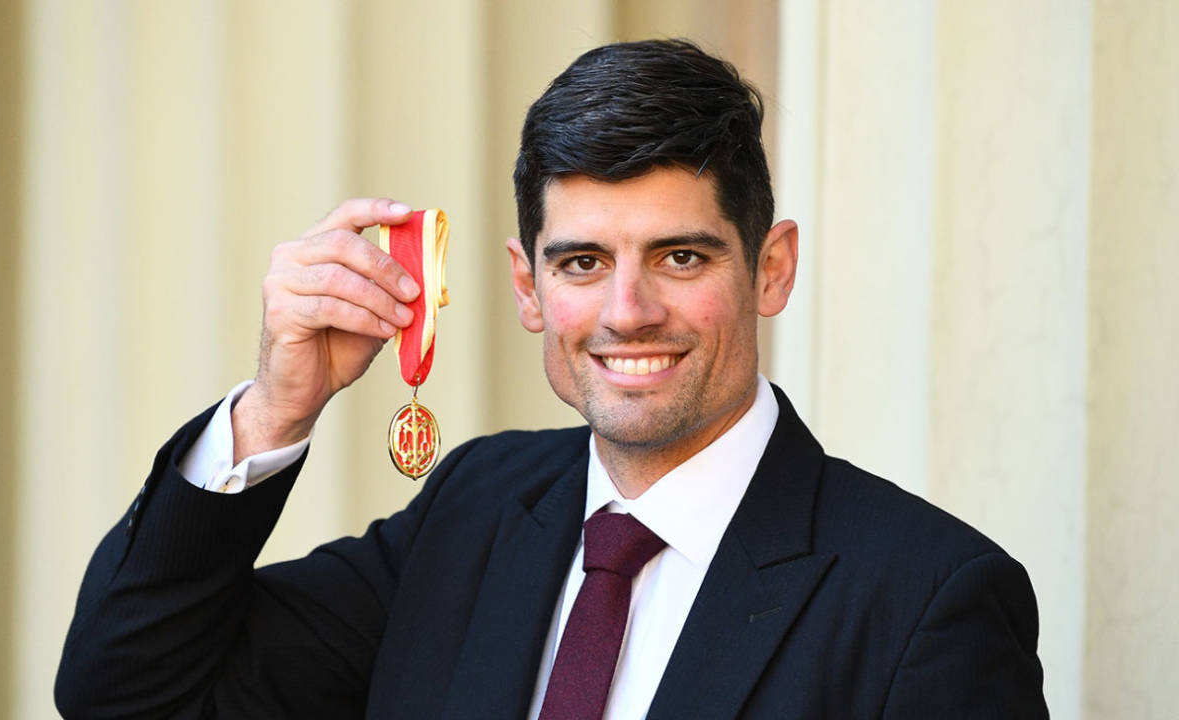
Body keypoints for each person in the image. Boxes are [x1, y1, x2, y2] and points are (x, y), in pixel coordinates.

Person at [55, 39, 1047, 719]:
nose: (625, 311)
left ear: (770, 267)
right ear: (526, 287)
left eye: (680, 257)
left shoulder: (930, 597)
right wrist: (279, 402)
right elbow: (129, 692)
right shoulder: (473, 512)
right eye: (580, 263)